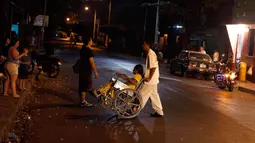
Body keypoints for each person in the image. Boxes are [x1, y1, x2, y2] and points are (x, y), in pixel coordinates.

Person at [139, 40, 164, 117]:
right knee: (154, 95)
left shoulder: (151, 54)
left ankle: (135, 109)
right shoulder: (150, 53)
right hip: (153, 80)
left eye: (143, 44)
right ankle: (159, 111)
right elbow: (150, 68)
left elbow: (153, 67)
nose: (142, 46)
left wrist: (149, 78)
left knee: (141, 94)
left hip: (151, 80)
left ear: (147, 44)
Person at [79, 36, 99, 107]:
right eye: (91, 40)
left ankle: (82, 101)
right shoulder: (88, 51)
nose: (92, 42)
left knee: (82, 86)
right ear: (89, 42)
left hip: (81, 70)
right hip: (87, 71)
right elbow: (92, 63)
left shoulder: (82, 49)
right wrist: (96, 72)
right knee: (87, 86)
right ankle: (84, 101)